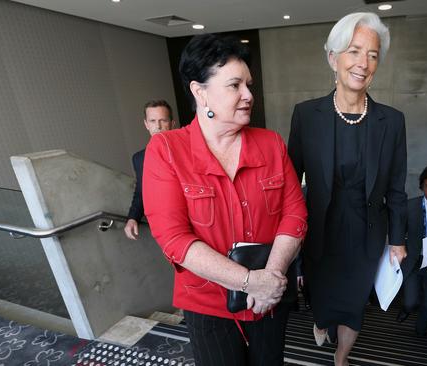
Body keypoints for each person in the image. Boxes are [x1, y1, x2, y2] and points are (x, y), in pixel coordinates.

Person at [142, 34, 307, 366]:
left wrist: (269, 278)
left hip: (269, 301)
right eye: (235, 85)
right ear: (200, 92)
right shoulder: (167, 150)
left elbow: (295, 213)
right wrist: (249, 281)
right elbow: (174, 239)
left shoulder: (270, 143)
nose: (248, 95)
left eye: (249, 84)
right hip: (209, 306)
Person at [288, 12, 408, 366]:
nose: (363, 63)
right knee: (321, 298)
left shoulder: (392, 121)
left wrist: (398, 240)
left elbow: (397, 187)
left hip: (365, 232)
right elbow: (292, 182)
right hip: (318, 231)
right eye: (354, 51)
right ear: (333, 57)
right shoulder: (307, 115)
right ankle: (322, 321)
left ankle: (341, 357)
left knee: (354, 303)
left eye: (372, 55)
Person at [397, 165, 427, 338]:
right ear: (422, 186)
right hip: (413, 261)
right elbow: (398, 233)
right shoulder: (410, 206)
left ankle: (420, 332)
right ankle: (407, 308)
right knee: (411, 301)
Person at [124, 100, 175, 240]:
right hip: (165, 226)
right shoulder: (139, 158)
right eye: (152, 121)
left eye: (163, 120)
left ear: (172, 123)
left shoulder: (188, 150)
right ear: (146, 124)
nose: (158, 126)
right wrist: (132, 218)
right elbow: (141, 191)